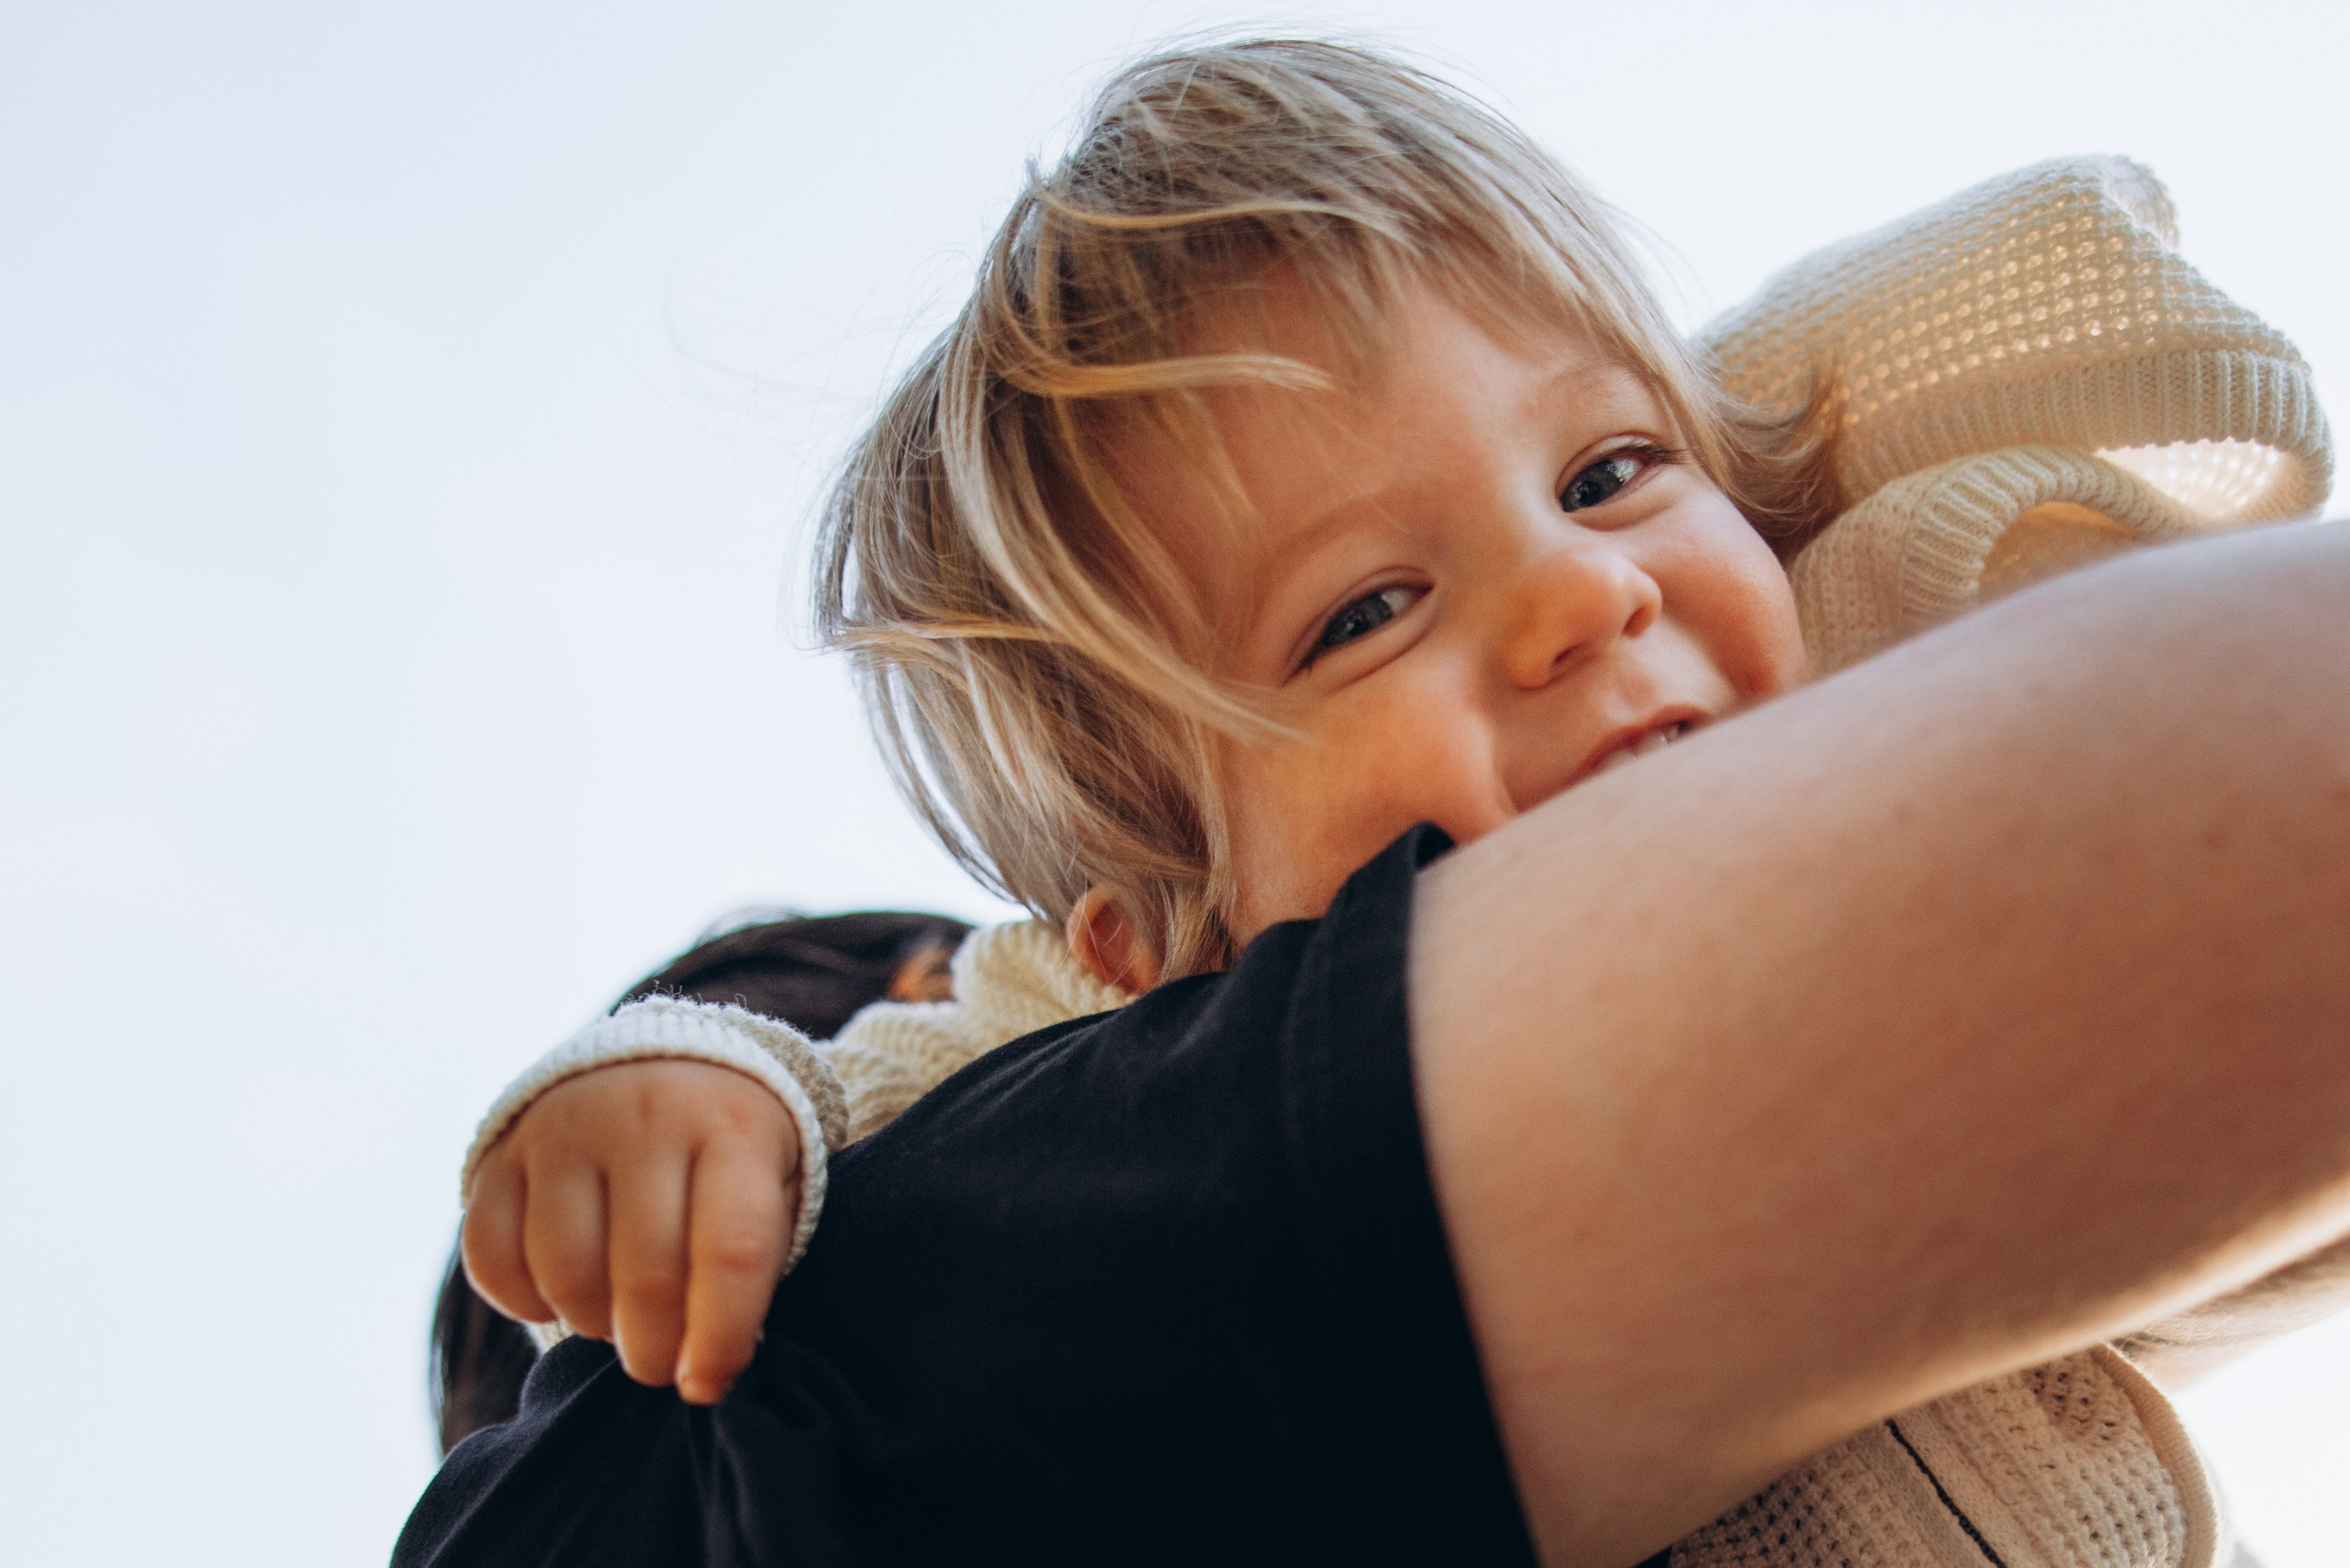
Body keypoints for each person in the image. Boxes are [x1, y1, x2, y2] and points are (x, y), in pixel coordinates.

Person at [404, 39, 2350, 1568]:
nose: (1581, 591)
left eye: (1601, 470)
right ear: (1151, 945)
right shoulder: (1103, 1121)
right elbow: (890, 1101)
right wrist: (689, 1073)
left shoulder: (1838, 693)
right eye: (1361, 609)